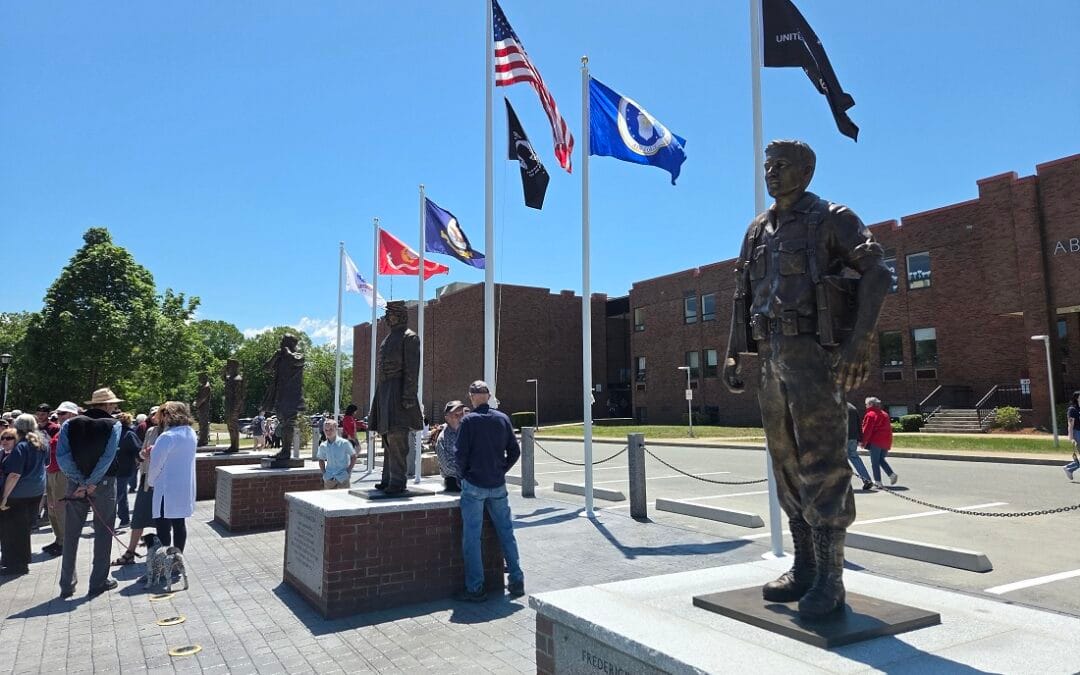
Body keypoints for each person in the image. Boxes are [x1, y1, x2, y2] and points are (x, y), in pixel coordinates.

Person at [723, 139, 892, 617]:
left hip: (813, 357)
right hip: (770, 357)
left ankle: (831, 579)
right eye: (767, 165)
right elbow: (742, 294)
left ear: (807, 171)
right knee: (785, 462)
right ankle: (804, 566)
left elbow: (878, 273)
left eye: (781, 165)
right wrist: (734, 353)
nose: (771, 173)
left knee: (823, 462)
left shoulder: (832, 218)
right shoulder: (757, 229)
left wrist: (860, 342)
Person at [454, 380, 525, 602]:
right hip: (497, 484)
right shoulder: (502, 418)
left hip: (474, 485)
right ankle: (516, 580)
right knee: (506, 532)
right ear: (489, 396)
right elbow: (514, 451)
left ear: (471, 397)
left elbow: (460, 455)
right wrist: (501, 470)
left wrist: (463, 476)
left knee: (472, 537)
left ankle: (476, 588)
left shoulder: (468, 421)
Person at [56, 387, 124, 597]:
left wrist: (79, 480)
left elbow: (62, 456)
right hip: (103, 484)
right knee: (103, 533)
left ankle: (66, 584)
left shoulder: (69, 424)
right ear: (108, 405)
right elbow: (107, 457)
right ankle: (98, 581)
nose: (115, 407)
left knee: (71, 534)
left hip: (75, 484)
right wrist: (91, 482)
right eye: (113, 404)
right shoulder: (114, 424)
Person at [369, 301, 423, 494]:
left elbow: (412, 370)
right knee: (386, 437)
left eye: (390, 314)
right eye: (386, 314)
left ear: (400, 315)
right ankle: (387, 479)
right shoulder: (388, 338)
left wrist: (408, 396)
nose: (386, 318)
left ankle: (398, 482)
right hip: (385, 390)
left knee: (397, 436)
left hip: (399, 391)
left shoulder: (410, 337)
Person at [113, 405, 161, 566]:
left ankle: (163, 555)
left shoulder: (172, 434)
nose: (156, 417)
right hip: (146, 480)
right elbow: (140, 453)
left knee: (163, 521)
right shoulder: (150, 431)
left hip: (163, 483)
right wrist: (143, 455)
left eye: (160, 414)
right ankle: (130, 552)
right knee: (139, 518)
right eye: (154, 414)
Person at [0, 415, 48, 576]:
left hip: (18, 494)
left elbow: (14, 474)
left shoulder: (21, 446)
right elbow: (46, 463)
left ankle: (17, 564)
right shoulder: (41, 443)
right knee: (23, 529)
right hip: (36, 491)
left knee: (12, 530)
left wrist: (4, 497)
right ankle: (15, 561)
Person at [147, 401, 197, 552]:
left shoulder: (167, 436)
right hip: (184, 487)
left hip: (166, 488)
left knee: (163, 528)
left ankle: (165, 560)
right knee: (179, 524)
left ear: (168, 415)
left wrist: (151, 482)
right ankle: (177, 557)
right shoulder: (190, 433)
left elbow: (156, 465)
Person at [42, 401, 79, 556]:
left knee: (60, 508)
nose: (59, 416)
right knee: (52, 508)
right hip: (52, 471)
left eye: (63, 413)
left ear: (72, 414)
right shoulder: (63, 429)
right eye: (58, 413)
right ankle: (59, 539)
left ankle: (65, 542)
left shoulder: (74, 429)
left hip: (62, 473)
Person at [860, 397, 897, 488]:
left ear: (870, 404)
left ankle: (878, 481)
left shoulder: (870, 415)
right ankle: (891, 474)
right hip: (886, 440)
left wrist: (863, 442)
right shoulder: (885, 414)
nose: (865, 406)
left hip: (875, 441)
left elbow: (867, 430)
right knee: (880, 459)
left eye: (866, 404)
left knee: (875, 462)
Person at [113, 413, 141, 528]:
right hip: (120, 468)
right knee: (121, 494)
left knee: (117, 495)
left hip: (122, 468)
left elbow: (137, 450)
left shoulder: (127, 434)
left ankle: (113, 520)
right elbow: (138, 450)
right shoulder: (122, 433)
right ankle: (124, 519)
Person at [434, 400, 466, 492]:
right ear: (447, 418)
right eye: (456, 415)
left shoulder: (469, 433)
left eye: (462, 414)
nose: (460, 417)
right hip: (455, 482)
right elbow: (447, 467)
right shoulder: (443, 438)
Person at [316, 420, 355, 489]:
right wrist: (324, 473)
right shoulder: (323, 445)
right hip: (329, 478)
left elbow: (353, 456)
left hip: (343, 478)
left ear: (336, 429)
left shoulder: (344, 443)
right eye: (326, 430)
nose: (328, 432)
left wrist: (348, 471)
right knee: (329, 496)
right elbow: (321, 459)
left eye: (331, 429)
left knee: (344, 496)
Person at [846, 402, 873, 491]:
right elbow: (859, 424)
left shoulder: (835, 406)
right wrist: (860, 438)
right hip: (853, 437)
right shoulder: (852, 407)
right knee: (854, 457)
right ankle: (867, 479)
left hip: (841, 438)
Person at [1062, 391, 1080, 480]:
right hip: (1077, 433)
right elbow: (1070, 425)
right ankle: (1069, 468)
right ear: (1077, 398)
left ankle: (1069, 468)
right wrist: (1071, 438)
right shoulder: (1072, 410)